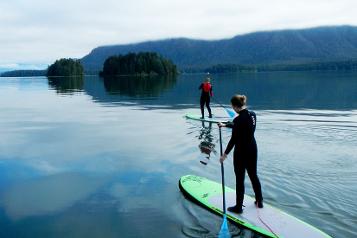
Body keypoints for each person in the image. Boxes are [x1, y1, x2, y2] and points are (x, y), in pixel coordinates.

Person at [218, 94, 263, 214]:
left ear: (234, 106)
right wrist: (225, 124)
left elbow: (233, 139)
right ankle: (259, 201)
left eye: (232, 107)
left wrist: (224, 154)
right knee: (253, 175)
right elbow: (242, 126)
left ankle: (238, 207)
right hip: (253, 149)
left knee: (240, 179)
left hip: (241, 152)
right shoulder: (252, 114)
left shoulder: (238, 120)